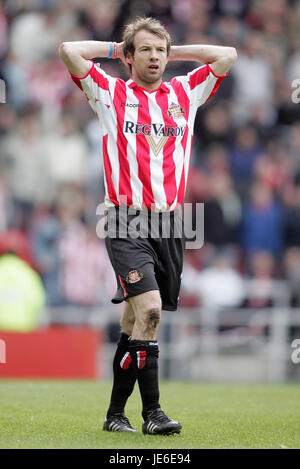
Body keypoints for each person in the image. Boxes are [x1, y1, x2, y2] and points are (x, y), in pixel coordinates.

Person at [59, 16, 237, 435]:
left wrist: (176, 51)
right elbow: (69, 49)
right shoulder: (110, 93)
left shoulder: (184, 92)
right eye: (145, 49)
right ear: (129, 57)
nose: (155, 56)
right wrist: (114, 48)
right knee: (152, 312)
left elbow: (226, 55)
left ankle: (114, 415)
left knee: (134, 322)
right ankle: (153, 414)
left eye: (160, 50)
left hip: (171, 224)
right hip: (123, 219)